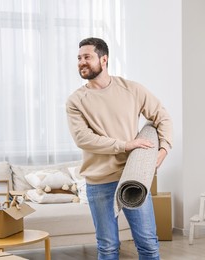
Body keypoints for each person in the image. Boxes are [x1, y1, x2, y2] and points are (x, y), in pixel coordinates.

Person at [66, 37, 173, 260]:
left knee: (148, 245)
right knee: (107, 247)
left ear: (103, 59)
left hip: (133, 177)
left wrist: (163, 151)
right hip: (99, 182)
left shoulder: (131, 89)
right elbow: (83, 138)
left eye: (87, 57)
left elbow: (161, 116)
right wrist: (125, 145)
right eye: (79, 58)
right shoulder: (76, 100)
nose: (81, 62)